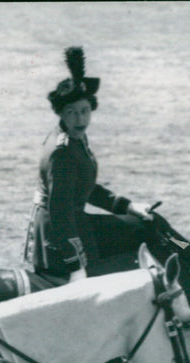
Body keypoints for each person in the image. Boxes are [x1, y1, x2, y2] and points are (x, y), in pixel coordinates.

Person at [23, 46, 154, 285]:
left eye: (85, 111)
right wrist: (75, 266)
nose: (80, 119)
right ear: (61, 114)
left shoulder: (75, 138)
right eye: (72, 112)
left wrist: (128, 205)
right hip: (60, 238)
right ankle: (186, 250)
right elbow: (60, 213)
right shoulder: (62, 152)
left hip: (74, 223)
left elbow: (83, 186)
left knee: (150, 224)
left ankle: (185, 246)